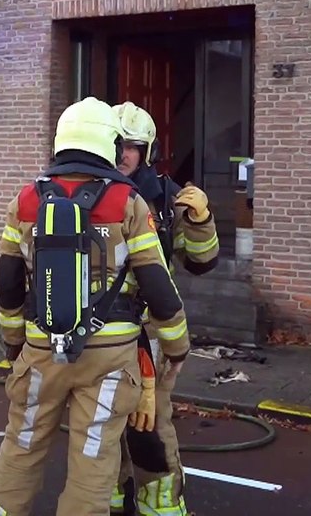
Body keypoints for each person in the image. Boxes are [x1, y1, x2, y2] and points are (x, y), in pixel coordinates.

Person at [0, 96, 191, 516]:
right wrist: (176, 346)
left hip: (42, 348)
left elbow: (7, 281)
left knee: (21, 445)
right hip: (110, 357)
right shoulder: (128, 202)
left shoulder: (26, 199)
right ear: (109, 144)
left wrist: (15, 341)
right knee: (93, 459)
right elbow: (157, 283)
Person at [107, 101, 218, 516]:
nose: (123, 155)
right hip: (104, 328)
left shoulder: (166, 198)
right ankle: (113, 494)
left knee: (149, 422)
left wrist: (200, 220)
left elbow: (201, 261)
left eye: (132, 147)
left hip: (150, 328)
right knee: (105, 415)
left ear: (147, 151)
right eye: (117, 144)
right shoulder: (90, 193)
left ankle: (160, 503)